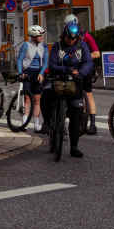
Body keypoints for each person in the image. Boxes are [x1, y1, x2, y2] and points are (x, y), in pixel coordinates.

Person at [46, 21, 93, 158]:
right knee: (46, 98)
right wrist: (66, 69)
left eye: (74, 38)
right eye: (69, 38)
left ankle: (74, 147)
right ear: (64, 35)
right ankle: (50, 125)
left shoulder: (82, 46)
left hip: (75, 82)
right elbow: (52, 64)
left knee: (76, 114)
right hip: (59, 80)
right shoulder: (57, 46)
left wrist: (81, 73)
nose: (71, 41)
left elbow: (88, 62)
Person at [64, 15, 100, 135]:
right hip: (73, 69)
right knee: (78, 95)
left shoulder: (86, 36)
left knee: (88, 94)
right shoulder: (67, 36)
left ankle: (93, 124)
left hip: (85, 69)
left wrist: (84, 57)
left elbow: (97, 53)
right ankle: (81, 121)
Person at [16, 25, 48, 132]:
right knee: (27, 99)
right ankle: (24, 122)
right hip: (27, 72)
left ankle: (37, 124)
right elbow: (20, 59)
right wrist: (21, 72)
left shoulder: (44, 46)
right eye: (39, 35)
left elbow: (45, 62)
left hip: (38, 73)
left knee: (37, 99)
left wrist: (42, 73)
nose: (41, 37)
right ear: (33, 36)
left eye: (41, 35)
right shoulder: (26, 45)